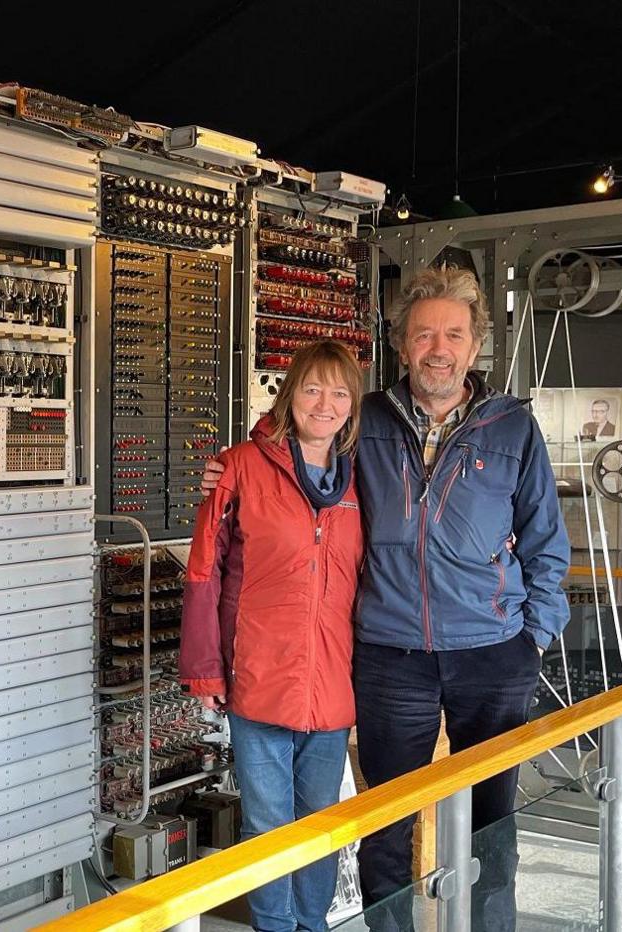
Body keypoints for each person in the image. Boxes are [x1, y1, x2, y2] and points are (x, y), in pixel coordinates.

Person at [203, 266, 569, 932]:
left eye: (453, 334)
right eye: (424, 333)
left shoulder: (512, 428)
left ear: (474, 344)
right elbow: (300, 438)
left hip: (492, 654)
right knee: (386, 825)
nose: (438, 347)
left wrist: (533, 637)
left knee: (493, 822)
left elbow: (547, 541)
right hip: (390, 656)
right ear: (401, 346)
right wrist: (239, 458)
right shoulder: (363, 420)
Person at [182, 340, 365, 932]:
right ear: (290, 394)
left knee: (321, 824)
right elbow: (203, 572)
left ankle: (311, 926)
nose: (325, 403)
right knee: (267, 826)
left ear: (352, 405)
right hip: (259, 677)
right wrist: (204, 666)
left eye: (340, 392)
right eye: (313, 388)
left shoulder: (362, 479)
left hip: (332, 684)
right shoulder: (237, 467)